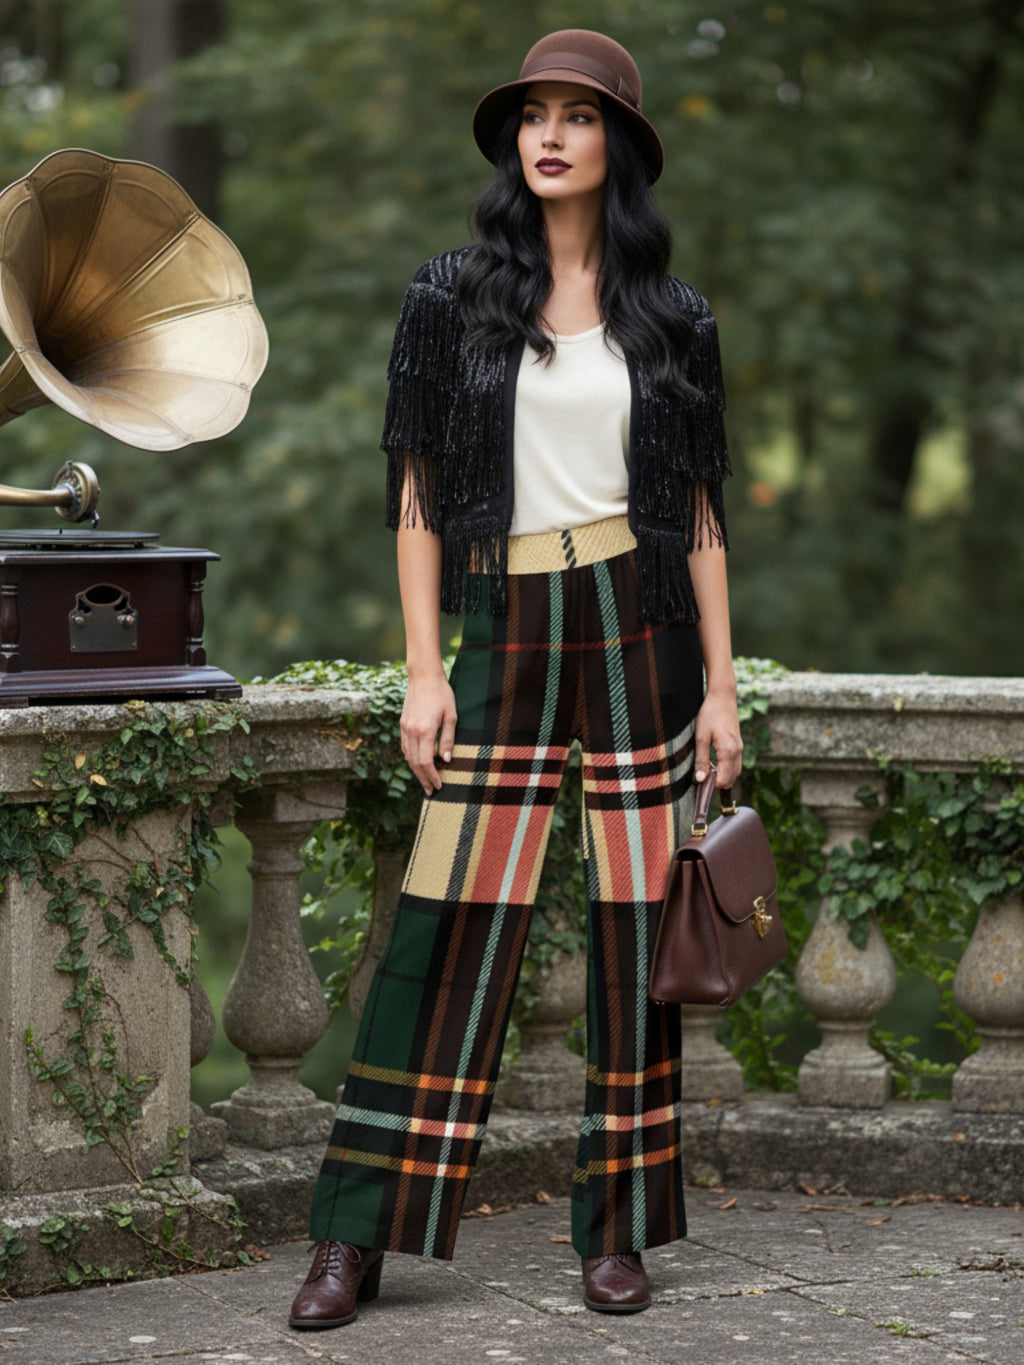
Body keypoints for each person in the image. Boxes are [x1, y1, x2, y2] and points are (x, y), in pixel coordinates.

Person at [289, 28, 742, 1330]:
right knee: (445, 920)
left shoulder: (674, 318)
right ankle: (354, 1237)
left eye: (578, 116)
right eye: (535, 114)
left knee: (635, 935)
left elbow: (701, 517)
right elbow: (418, 497)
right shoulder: (451, 296)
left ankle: (621, 1232)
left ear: (618, 147)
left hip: (640, 625)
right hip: (507, 621)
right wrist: (423, 669)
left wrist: (721, 687)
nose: (550, 134)